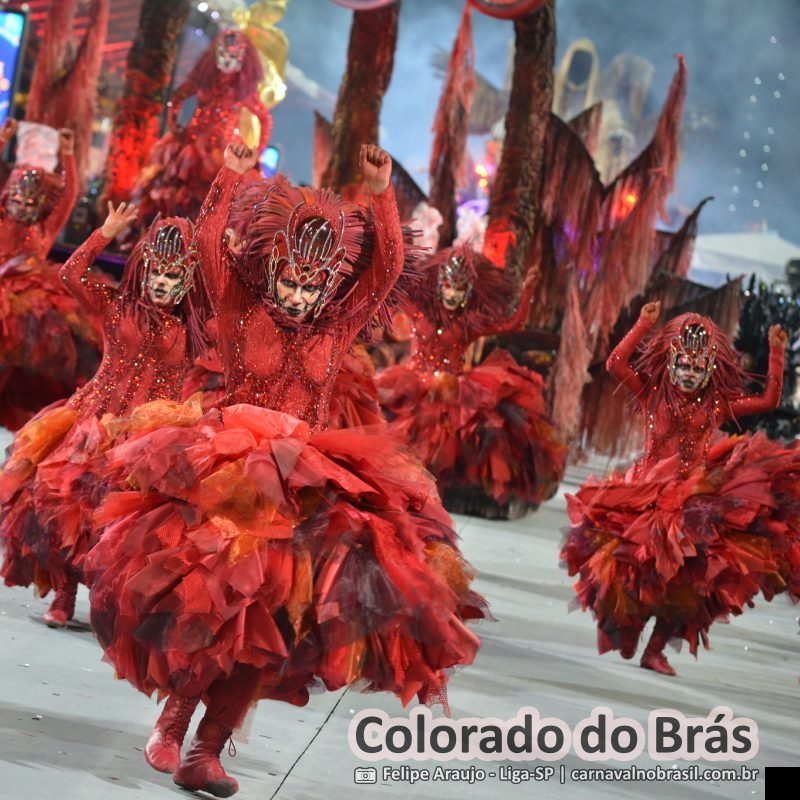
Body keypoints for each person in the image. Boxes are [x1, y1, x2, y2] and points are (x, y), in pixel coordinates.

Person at [85, 143, 488, 797]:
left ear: (328, 285)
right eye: (290, 283)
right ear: (271, 273)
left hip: (304, 488)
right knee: (214, 611)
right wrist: (229, 175)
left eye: (311, 286)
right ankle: (173, 724)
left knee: (273, 622)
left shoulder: (338, 325)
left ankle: (206, 751)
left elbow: (385, 269)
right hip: (227, 478)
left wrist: (381, 194)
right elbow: (210, 243)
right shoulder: (239, 310)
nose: (299, 296)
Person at [561, 300, 800, 675]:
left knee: (690, 583)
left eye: (698, 368)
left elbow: (768, 399)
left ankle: (655, 649)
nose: (689, 374)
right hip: (645, 497)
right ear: (671, 363)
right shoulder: (651, 392)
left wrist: (776, 351)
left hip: (694, 504)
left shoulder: (716, 404)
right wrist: (643, 324)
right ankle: (628, 628)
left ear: (710, 370)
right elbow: (614, 364)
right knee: (632, 572)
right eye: (684, 365)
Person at [0, 201, 210, 628]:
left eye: (173, 277)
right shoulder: (117, 306)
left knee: (125, 524)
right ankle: (64, 594)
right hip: (94, 419)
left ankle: (107, 602)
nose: (162, 283)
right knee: (67, 509)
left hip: (152, 437)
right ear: (143, 271)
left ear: (187, 281)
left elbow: (232, 309)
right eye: (156, 273)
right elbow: (70, 274)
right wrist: (106, 232)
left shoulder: (193, 328)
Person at [376, 243, 566, 517]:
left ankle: (427, 504)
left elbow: (512, 324)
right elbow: (389, 287)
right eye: (448, 287)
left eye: (459, 289)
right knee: (394, 441)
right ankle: (397, 497)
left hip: (453, 396)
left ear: (468, 292)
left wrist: (527, 292)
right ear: (438, 285)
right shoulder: (417, 309)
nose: (451, 294)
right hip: (410, 388)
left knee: (440, 454)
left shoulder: (468, 323)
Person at [0, 121, 102, 429]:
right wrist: (3, 140)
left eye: (29, 201)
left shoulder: (45, 225)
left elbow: (69, 194)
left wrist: (68, 154)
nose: (21, 205)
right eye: (17, 199)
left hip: (28, 300)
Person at [134, 29, 272, 222]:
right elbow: (176, 98)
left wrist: (258, 150)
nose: (226, 60)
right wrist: (174, 127)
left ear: (243, 60)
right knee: (174, 197)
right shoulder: (204, 79)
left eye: (233, 56)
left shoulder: (243, 91)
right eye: (222, 54)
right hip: (191, 145)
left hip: (224, 152)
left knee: (217, 203)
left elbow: (265, 119)